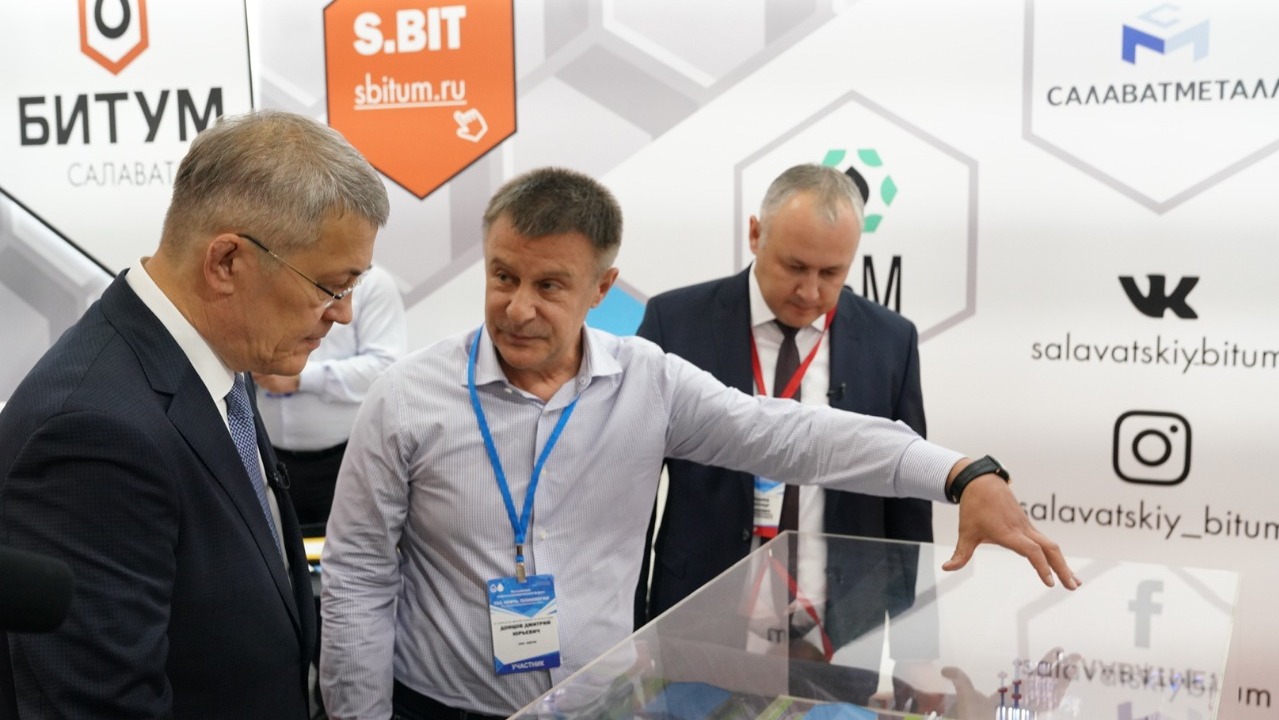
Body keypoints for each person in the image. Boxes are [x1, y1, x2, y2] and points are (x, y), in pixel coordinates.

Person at [320, 166, 1078, 720]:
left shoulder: (646, 382)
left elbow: (796, 435)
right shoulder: (405, 397)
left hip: (605, 706)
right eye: (502, 276)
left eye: (549, 286)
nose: (518, 308)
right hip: (440, 707)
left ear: (601, 288)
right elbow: (356, 578)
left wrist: (961, 472)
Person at [0, 109, 389, 719]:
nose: (342, 314)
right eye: (329, 287)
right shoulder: (92, 434)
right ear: (226, 262)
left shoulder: (217, 356)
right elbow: (103, 705)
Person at [633, 164, 933, 672]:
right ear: (756, 234)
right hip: (695, 626)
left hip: (841, 637)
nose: (810, 292)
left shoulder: (890, 341)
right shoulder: (676, 324)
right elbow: (632, 488)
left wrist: (917, 652)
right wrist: (627, 632)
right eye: (794, 267)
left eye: (832, 273)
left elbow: (908, 505)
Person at [255, 263, 407, 536]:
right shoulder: (267, 272)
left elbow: (385, 367)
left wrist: (302, 378)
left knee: (349, 548)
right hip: (268, 459)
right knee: (277, 552)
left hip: (344, 458)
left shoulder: (374, 283)